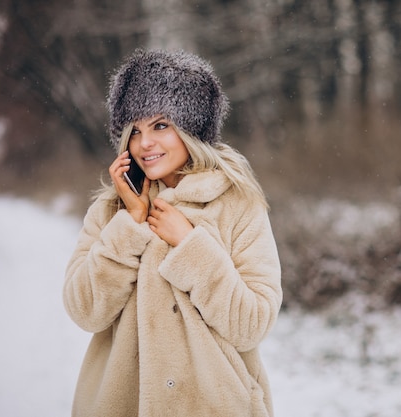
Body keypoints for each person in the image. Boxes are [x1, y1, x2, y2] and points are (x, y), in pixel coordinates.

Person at [63, 49, 282, 417]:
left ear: (191, 128)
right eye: (135, 130)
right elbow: (85, 312)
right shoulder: (110, 211)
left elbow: (252, 324)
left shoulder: (238, 204)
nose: (145, 143)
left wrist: (191, 246)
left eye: (160, 125)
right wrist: (131, 225)